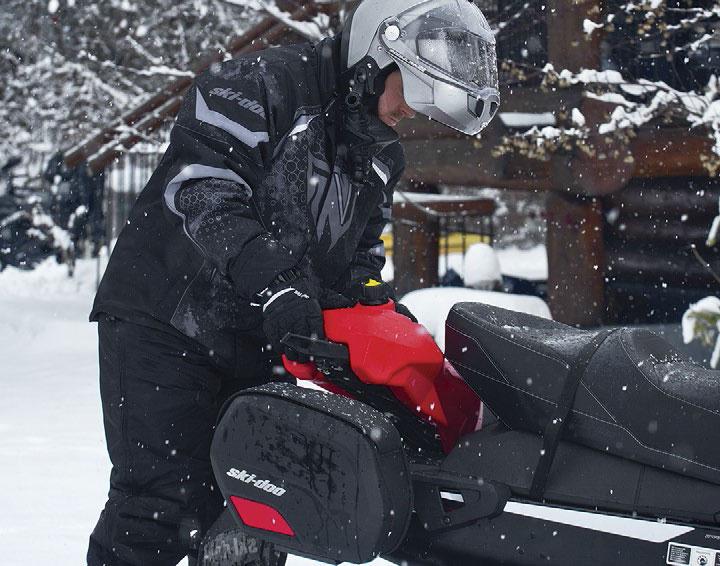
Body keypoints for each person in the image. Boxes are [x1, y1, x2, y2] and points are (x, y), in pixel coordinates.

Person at [87, 0, 499, 564]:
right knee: (158, 504)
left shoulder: (378, 154)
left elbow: (356, 261)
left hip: (261, 334)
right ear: (373, 60)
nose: (409, 113)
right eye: (411, 90)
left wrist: (379, 323)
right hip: (167, 321)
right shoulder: (259, 85)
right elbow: (203, 189)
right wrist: (278, 283)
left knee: (260, 505)